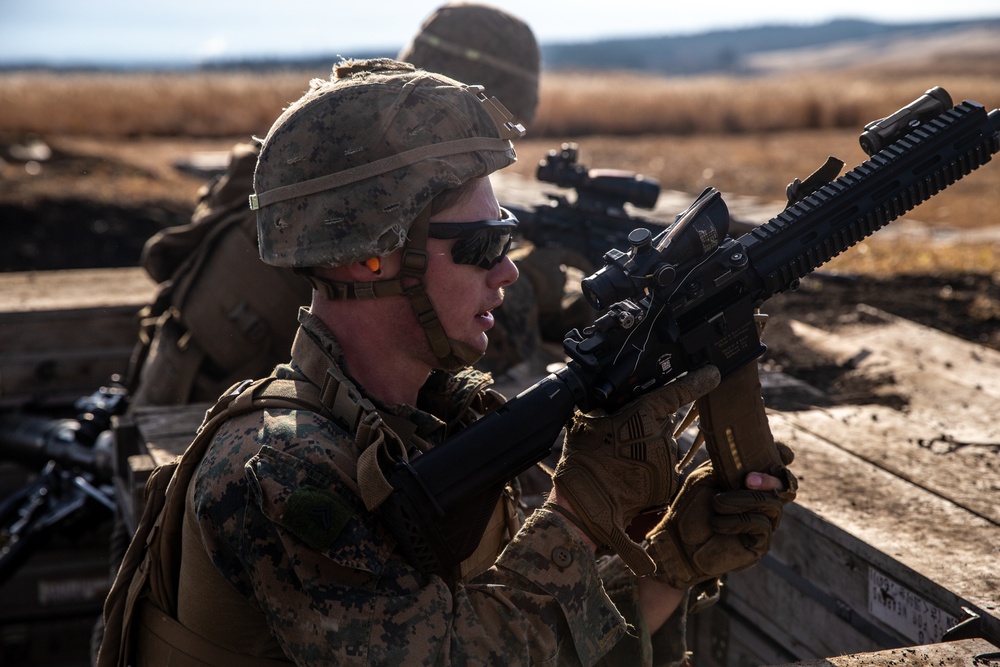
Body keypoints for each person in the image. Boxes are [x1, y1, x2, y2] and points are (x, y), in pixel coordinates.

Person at [100, 59, 795, 666]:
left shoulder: (424, 427)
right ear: (368, 256)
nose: (509, 275)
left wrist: (674, 562)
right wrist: (578, 514)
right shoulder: (276, 470)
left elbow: (518, 639)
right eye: (483, 245)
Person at [126, 2, 543, 408]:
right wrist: (544, 277)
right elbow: (458, 329)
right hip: (205, 413)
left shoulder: (330, 151)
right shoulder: (355, 191)